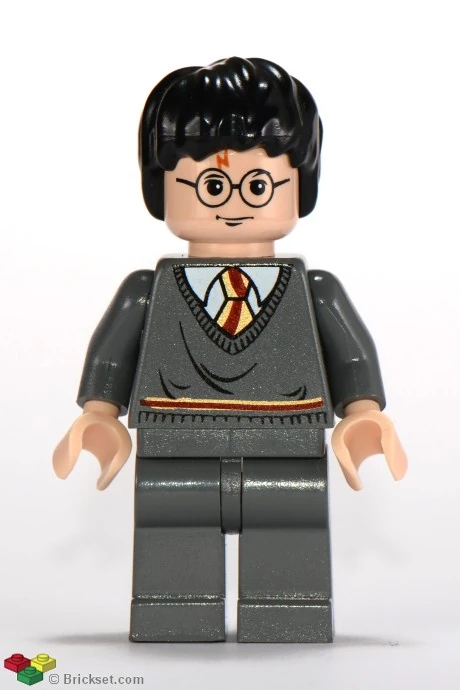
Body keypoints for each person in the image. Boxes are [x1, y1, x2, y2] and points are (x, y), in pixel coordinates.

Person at [53, 57, 407, 643]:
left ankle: (288, 613)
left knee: (290, 533)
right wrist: (98, 415)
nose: (233, 202)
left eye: (259, 184)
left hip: (288, 444)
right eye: (211, 185)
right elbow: (111, 354)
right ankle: (174, 610)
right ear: (161, 189)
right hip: (175, 444)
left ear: (300, 187)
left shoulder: (313, 290)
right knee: (172, 530)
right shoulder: (148, 290)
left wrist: (363, 414)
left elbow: (352, 356)